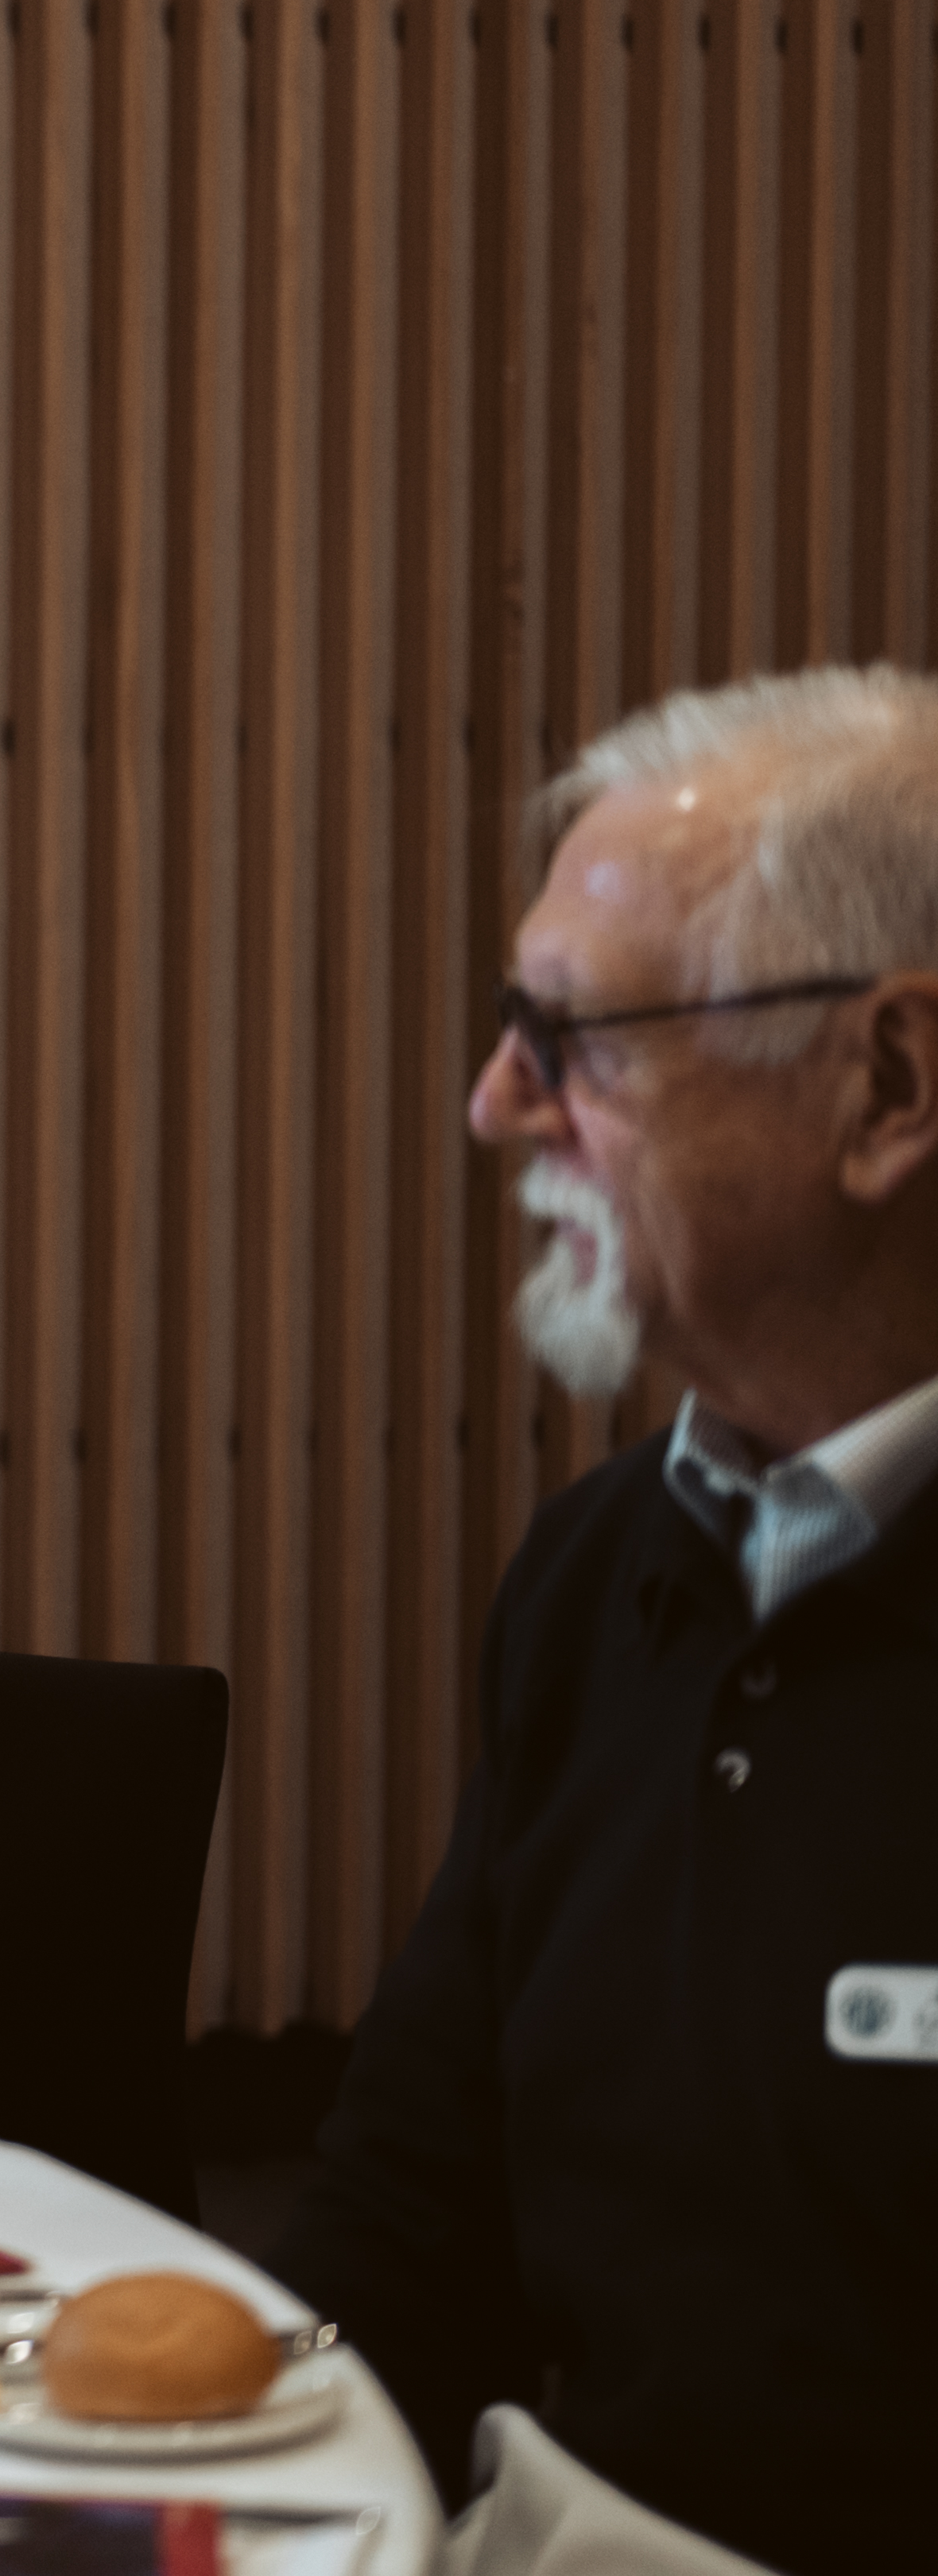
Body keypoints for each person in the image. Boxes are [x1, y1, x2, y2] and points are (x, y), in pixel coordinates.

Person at [279, 665, 937, 2576]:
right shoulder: (594, 1575)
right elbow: (407, 2223)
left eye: (575, 1040)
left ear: (888, 1086)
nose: (496, 1107)